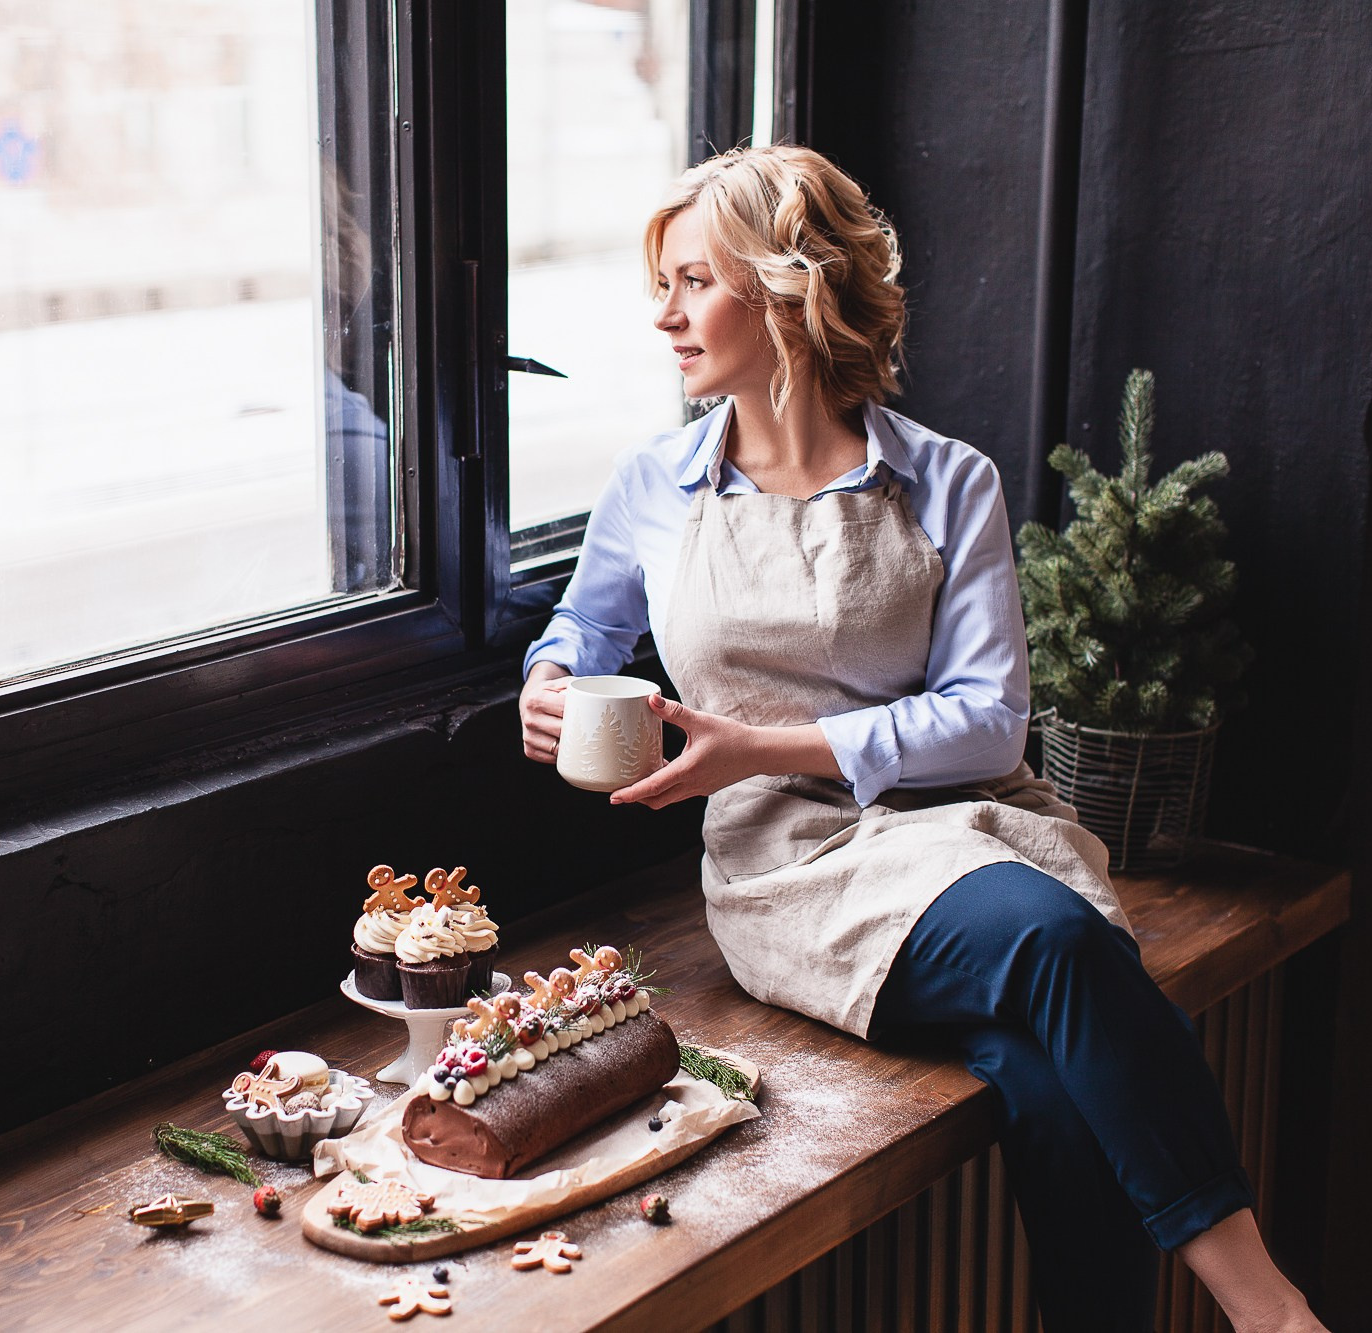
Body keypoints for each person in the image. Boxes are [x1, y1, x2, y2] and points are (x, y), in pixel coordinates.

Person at [518, 145, 1328, 1333]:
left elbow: (987, 719)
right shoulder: (655, 484)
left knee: (1048, 1072)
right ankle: (1273, 1313)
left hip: (969, 825)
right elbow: (585, 625)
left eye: (693, 283)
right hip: (788, 869)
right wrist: (547, 678)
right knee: (1057, 945)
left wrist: (760, 742)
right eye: (662, 285)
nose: (664, 315)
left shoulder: (947, 480)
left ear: (787, 292)